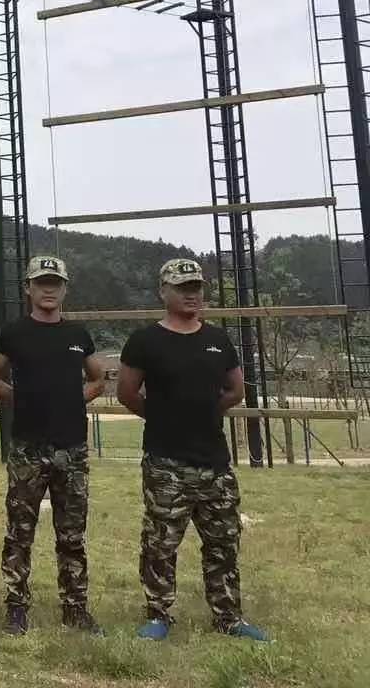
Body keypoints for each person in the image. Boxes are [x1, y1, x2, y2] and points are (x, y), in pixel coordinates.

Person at [117, 258, 267, 642]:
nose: (191, 295)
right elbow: (127, 393)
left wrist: (205, 413)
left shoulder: (218, 340)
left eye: (196, 287)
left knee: (222, 542)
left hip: (214, 462)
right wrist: (164, 417)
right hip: (166, 462)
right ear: (163, 292)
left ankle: (228, 616)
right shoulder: (145, 341)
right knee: (160, 543)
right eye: (182, 288)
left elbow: (236, 390)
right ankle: (158, 614)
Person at [0, 256, 107, 636]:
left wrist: (71, 399)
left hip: (72, 448)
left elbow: (99, 379)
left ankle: (75, 607)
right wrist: (22, 400)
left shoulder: (78, 335)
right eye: (41, 282)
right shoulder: (13, 333)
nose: (48, 289)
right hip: (27, 448)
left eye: (55, 282)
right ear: (29, 289)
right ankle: (16, 608)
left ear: (65, 288)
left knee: (72, 532)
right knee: (21, 530)